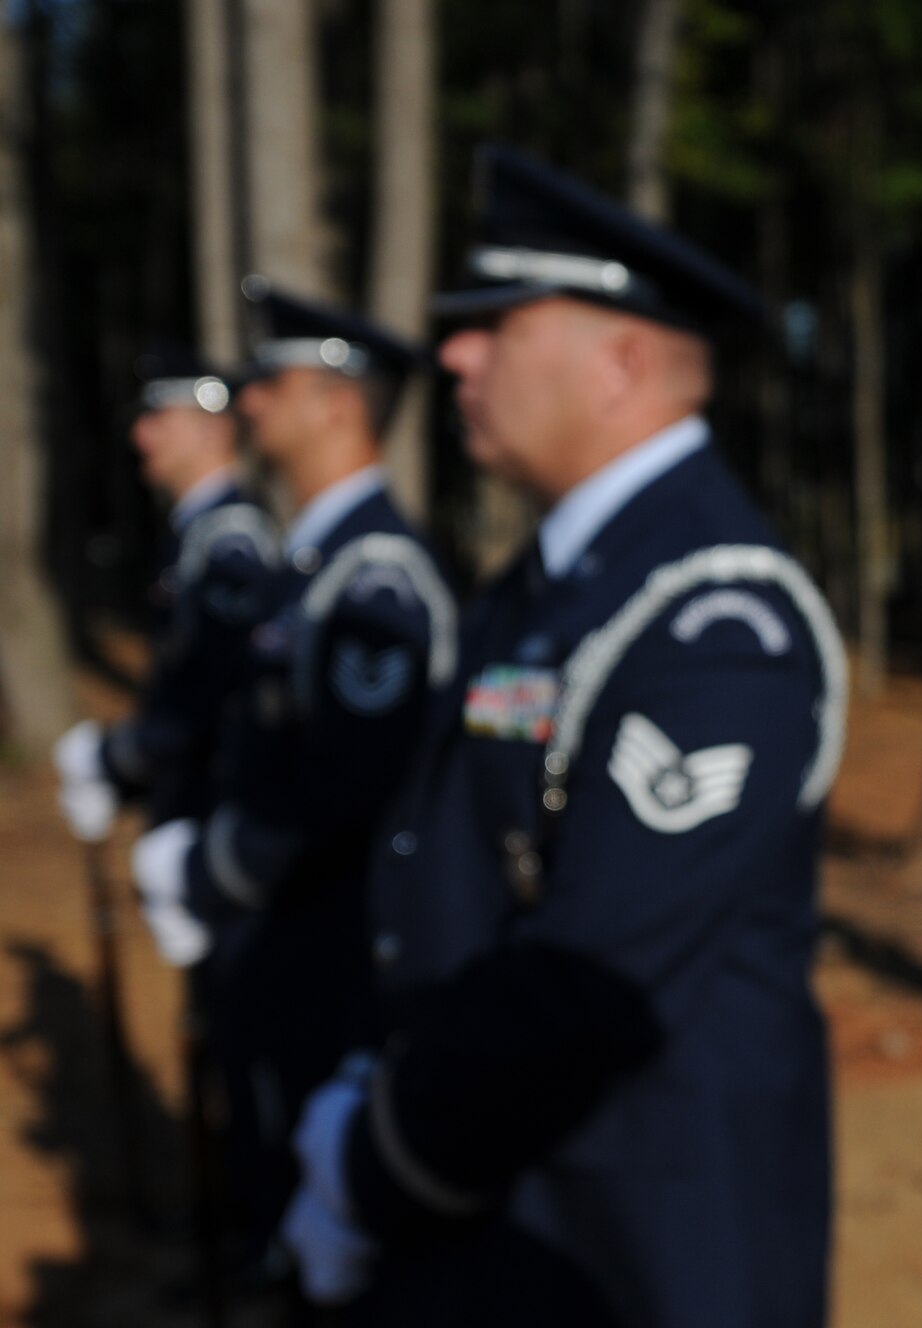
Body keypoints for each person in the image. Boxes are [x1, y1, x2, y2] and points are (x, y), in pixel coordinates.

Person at [279, 146, 844, 1327]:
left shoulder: (713, 612)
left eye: (494, 323)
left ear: (621, 361)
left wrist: (371, 1158)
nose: (452, 356)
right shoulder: (540, 581)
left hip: (634, 1242)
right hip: (494, 1188)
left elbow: (593, 972)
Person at [129, 282, 449, 1276]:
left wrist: (215, 867)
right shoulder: (314, 567)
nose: (250, 400)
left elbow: (346, 790)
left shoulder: (375, 578)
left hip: (336, 956)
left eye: (273, 381)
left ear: (340, 405)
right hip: (280, 945)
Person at [52, 347, 278, 847]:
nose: (140, 436)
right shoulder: (197, 533)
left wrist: (117, 756)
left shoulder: (229, 541)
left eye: (160, 419)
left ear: (212, 429)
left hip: (217, 811)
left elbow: (216, 695)